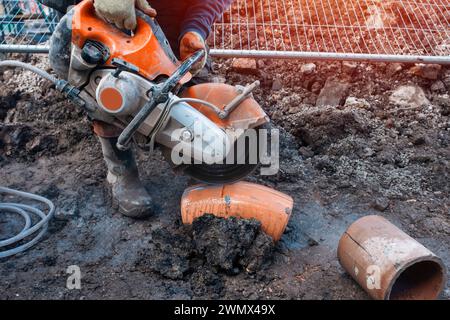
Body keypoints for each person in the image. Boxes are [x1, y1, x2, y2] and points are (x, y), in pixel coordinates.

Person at [39, 0, 233, 218]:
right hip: (102, 16)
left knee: (184, 83)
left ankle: (193, 156)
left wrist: (195, 29)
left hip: (172, 19)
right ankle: (120, 168)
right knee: (112, 87)